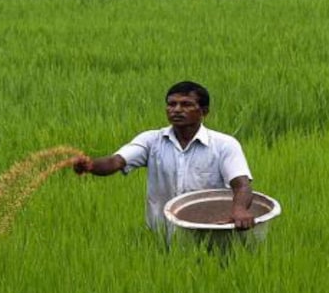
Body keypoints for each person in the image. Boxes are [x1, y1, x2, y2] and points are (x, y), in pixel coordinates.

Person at [72, 81, 255, 236]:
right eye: (171, 104)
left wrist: (239, 209)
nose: (176, 110)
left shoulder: (224, 145)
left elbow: (241, 184)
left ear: (204, 111)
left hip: (210, 233)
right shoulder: (151, 141)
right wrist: (91, 165)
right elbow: (115, 162)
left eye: (186, 104)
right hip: (161, 236)